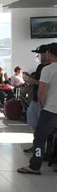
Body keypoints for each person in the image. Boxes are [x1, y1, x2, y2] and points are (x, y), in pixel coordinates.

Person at [18, 43, 57, 175]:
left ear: (49, 53)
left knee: (39, 139)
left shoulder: (49, 69)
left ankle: (35, 166)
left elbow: (41, 91)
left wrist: (41, 105)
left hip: (50, 110)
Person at [22, 45, 49, 153]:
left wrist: (34, 82)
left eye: (39, 54)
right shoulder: (40, 67)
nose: (38, 56)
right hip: (35, 99)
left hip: (44, 100)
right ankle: (36, 145)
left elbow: (47, 84)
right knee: (33, 123)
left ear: (47, 54)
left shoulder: (50, 68)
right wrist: (31, 80)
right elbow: (38, 81)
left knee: (43, 126)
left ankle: (43, 149)